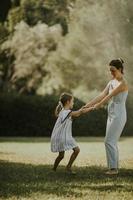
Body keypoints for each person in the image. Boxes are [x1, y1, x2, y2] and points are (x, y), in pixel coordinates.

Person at [83, 58, 128, 175]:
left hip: (119, 115)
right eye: (110, 71)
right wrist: (87, 105)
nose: (111, 73)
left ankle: (113, 169)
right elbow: (102, 94)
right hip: (111, 114)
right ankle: (113, 167)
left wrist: (96, 107)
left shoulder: (123, 83)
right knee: (110, 141)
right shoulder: (111, 82)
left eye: (113, 70)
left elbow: (108, 97)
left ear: (120, 69)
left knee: (109, 141)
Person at [51, 92, 93, 174]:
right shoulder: (66, 112)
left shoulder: (63, 111)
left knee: (61, 156)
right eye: (72, 101)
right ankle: (68, 167)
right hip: (64, 137)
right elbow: (78, 113)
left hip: (61, 136)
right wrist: (91, 108)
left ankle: (54, 169)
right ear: (67, 102)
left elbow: (79, 112)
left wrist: (83, 109)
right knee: (76, 150)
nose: (73, 103)